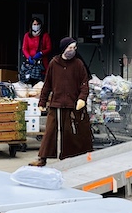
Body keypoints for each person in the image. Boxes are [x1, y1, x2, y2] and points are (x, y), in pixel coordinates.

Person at [30, 38, 92, 166]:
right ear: (64, 48)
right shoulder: (54, 63)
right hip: (56, 102)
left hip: (72, 103)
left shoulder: (78, 64)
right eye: (70, 48)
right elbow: (47, 84)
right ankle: (42, 158)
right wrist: (42, 102)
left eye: (74, 48)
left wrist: (82, 98)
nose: (72, 51)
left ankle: (69, 157)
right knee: (50, 131)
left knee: (70, 132)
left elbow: (84, 84)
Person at [21, 17, 51, 85]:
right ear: (31, 25)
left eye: (38, 24)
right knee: (28, 81)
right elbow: (24, 48)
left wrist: (41, 53)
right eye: (34, 24)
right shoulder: (27, 35)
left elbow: (49, 48)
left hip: (42, 63)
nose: (36, 26)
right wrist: (28, 57)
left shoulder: (45, 35)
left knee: (41, 81)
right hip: (30, 63)